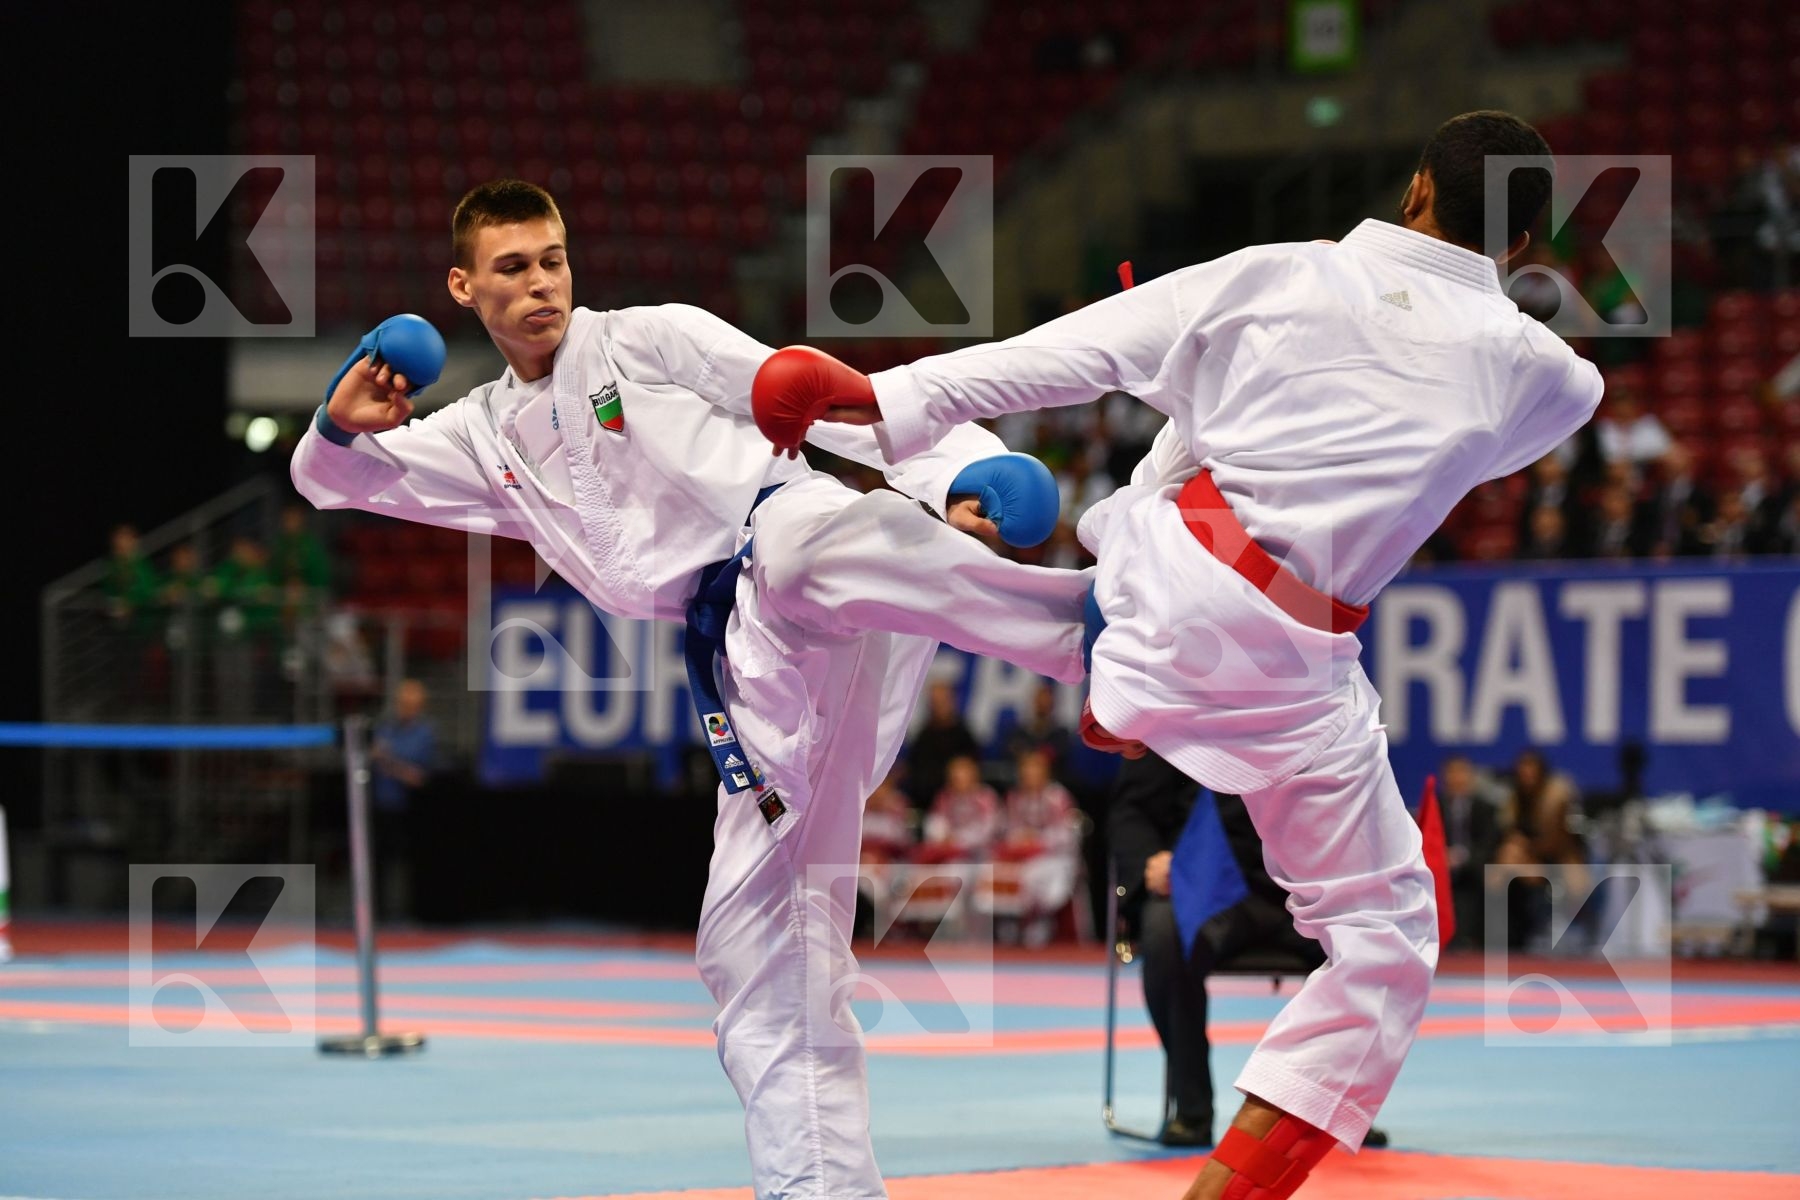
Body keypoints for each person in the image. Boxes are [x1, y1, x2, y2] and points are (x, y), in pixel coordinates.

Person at [753, 111, 1603, 1200]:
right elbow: (1512, 418)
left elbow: (1073, 352)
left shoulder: (1273, 275)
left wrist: (880, 398)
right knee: (1390, 941)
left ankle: (1087, 665)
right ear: (1526, 247)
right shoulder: (1552, 376)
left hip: (1172, 584)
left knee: (1150, 487)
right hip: (1299, 662)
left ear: (1417, 192)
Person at [289, 179, 1090, 1198]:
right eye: (511, 268)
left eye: (552, 259)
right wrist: (336, 426)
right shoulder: (484, 435)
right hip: (750, 676)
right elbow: (339, 482)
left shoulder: (647, 339)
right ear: (462, 286)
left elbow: (812, 393)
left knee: (804, 549)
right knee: (753, 958)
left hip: (792, 543)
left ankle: (1103, 634)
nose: (541, 284)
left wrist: (963, 468)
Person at [1109, 753, 1392, 1151]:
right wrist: (1150, 862)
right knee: (1167, 932)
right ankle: (1191, 1109)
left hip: (1307, 888)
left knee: (1370, 939)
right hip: (1212, 887)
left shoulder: (1319, 712)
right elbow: (1132, 809)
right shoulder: (1181, 713)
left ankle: (1341, 1107)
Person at [371, 678, 438, 920]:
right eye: (402, 703)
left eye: (411, 704)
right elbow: (374, 759)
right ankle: (378, 913)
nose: (406, 708)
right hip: (382, 806)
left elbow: (418, 777)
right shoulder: (386, 729)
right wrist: (390, 765)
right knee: (379, 863)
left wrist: (390, 763)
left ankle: (410, 913)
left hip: (411, 810)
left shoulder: (424, 734)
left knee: (409, 863)